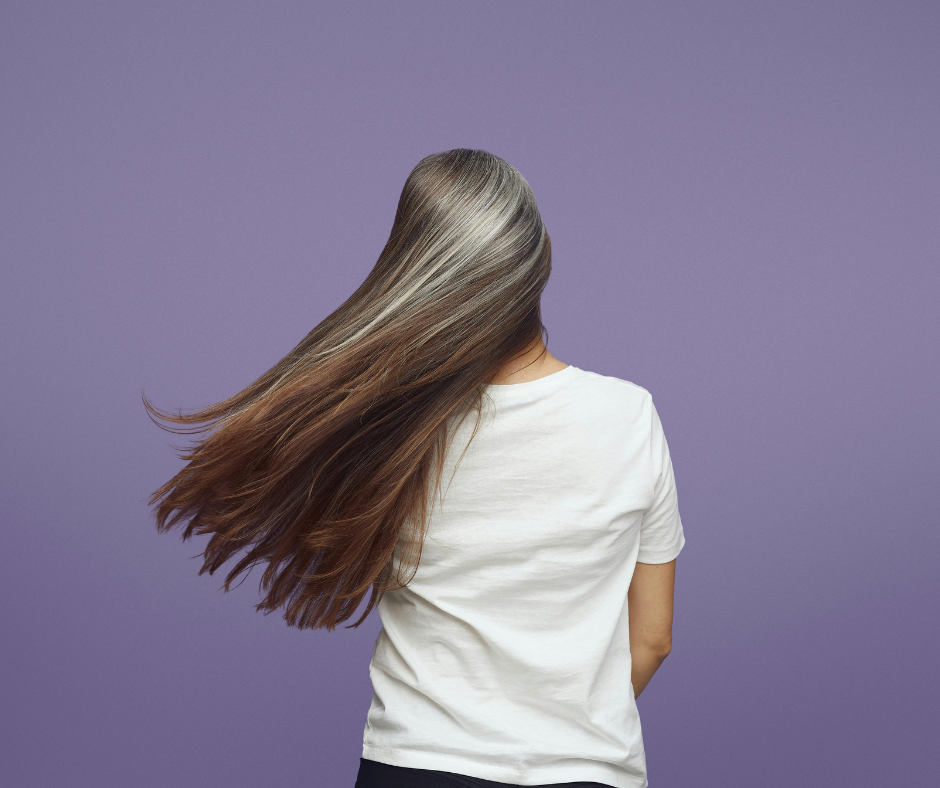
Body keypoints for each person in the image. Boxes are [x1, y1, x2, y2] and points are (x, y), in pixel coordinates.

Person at [144, 149, 685, 788]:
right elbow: (651, 640)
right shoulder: (629, 415)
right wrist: (565, 730)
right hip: (588, 771)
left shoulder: (390, 428)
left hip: (418, 767)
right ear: (540, 259)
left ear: (415, 274)